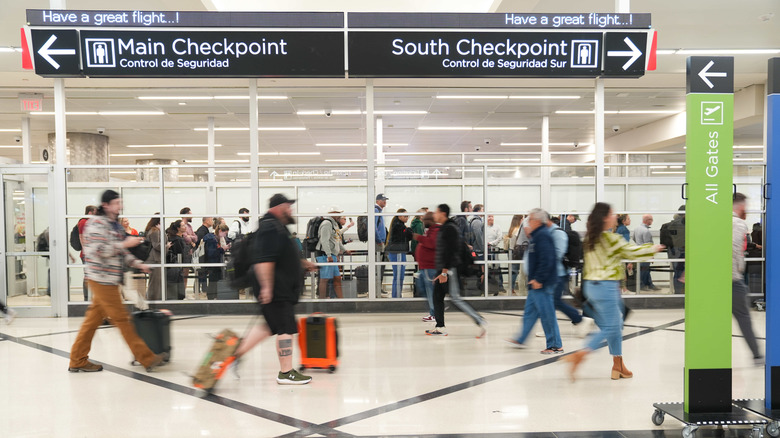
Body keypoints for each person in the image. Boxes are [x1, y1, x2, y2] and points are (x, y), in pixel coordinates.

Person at [563, 202, 663, 381]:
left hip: (592, 288)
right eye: (611, 214)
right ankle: (581, 354)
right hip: (606, 287)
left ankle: (618, 365)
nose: (615, 216)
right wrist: (654, 248)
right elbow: (631, 252)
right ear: (603, 218)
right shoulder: (611, 239)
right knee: (612, 327)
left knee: (613, 327)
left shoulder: (590, 240)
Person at [68, 190, 165, 373]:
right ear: (106, 205)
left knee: (91, 321)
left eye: (120, 202)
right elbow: (98, 251)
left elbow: (121, 252)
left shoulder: (114, 225)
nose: (119, 206)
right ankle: (147, 357)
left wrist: (138, 264)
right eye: (116, 203)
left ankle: (77, 359)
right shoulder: (96, 224)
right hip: (101, 278)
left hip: (110, 278)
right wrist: (124, 244)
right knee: (122, 318)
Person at [233, 194, 317, 385]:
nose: (291, 210)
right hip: (277, 289)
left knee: (270, 326)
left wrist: (303, 264)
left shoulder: (276, 226)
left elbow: (281, 256)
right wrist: (267, 288)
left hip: (279, 287)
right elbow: (265, 260)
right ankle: (286, 373)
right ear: (279, 207)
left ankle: (234, 355)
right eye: (289, 206)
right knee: (285, 327)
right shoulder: (271, 228)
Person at [425, 204, 488, 337]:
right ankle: (440, 326)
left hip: (449, 269)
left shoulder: (449, 229)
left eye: (436, 212)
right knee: (437, 296)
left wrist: (444, 272)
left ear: (442, 214)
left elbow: (450, 252)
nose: (434, 215)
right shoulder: (447, 227)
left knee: (455, 298)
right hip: (445, 268)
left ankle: (479, 320)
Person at [506, 209, 563, 354]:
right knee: (530, 312)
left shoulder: (543, 236)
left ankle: (555, 345)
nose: (528, 222)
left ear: (537, 221)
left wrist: (539, 279)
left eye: (530, 219)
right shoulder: (537, 236)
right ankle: (521, 338)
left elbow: (547, 259)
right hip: (535, 283)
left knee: (547, 314)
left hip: (542, 283)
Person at [732, 193, 764, 364]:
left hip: (718, 280)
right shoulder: (737, 223)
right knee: (744, 318)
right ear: (741, 206)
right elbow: (733, 249)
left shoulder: (719, 221)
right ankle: (757, 355)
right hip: (732, 280)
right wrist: (736, 272)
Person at [547, 216, 588, 334]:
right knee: (551, 301)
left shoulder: (557, 234)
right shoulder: (554, 232)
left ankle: (578, 319)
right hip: (556, 273)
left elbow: (557, 254)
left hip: (558, 273)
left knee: (554, 301)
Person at [413, 211, 439, 322]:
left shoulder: (435, 231)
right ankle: (434, 310)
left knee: (430, 291)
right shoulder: (431, 231)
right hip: (425, 267)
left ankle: (434, 312)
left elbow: (431, 243)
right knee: (424, 289)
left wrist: (418, 237)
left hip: (430, 267)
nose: (423, 222)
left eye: (425, 220)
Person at [316, 208, 344, 299]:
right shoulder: (327, 224)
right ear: (333, 213)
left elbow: (336, 239)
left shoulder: (334, 224)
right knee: (324, 279)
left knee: (337, 278)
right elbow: (324, 240)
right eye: (338, 213)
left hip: (332, 255)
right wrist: (328, 255)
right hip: (325, 255)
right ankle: (322, 301)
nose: (340, 215)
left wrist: (344, 250)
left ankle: (342, 301)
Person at [386, 208, 413, 298]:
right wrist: (408, 230)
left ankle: (397, 295)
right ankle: (396, 297)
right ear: (399, 216)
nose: (407, 218)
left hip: (399, 252)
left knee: (399, 275)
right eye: (405, 216)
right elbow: (408, 235)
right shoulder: (398, 226)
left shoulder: (400, 225)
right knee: (398, 276)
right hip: (397, 252)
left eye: (407, 216)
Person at [660, 205, 686, 293]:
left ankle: (678, 293)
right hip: (680, 253)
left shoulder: (668, 225)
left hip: (673, 253)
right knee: (681, 274)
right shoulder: (683, 225)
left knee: (678, 274)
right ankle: (681, 293)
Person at [633, 214, 660, 291]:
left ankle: (650, 284)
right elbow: (648, 245)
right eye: (651, 219)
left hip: (639, 252)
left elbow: (634, 238)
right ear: (647, 220)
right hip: (645, 253)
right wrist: (651, 255)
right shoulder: (646, 231)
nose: (652, 221)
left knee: (645, 269)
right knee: (644, 270)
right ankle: (642, 286)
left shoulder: (636, 228)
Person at [202, 223, 229, 300]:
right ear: (220, 231)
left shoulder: (215, 238)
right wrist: (222, 249)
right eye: (225, 233)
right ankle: (211, 296)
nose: (225, 236)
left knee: (215, 281)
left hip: (215, 264)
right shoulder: (212, 239)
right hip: (212, 264)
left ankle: (214, 296)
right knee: (213, 282)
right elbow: (212, 253)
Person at [77, 205, 98, 301]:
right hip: (87, 254)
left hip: (93, 254)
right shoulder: (83, 222)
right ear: (90, 212)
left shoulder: (91, 222)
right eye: (95, 212)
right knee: (87, 276)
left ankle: (92, 296)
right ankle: (87, 298)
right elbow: (82, 238)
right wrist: (88, 252)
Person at [165, 220, 187, 300]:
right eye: (183, 226)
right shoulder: (177, 240)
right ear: (178, 228)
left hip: (174, 265)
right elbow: (180, 253)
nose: (185, 227)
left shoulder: (175, 238)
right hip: (175, 265)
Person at [143, 216, 163, 301]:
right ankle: (151, 301)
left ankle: (152, 300)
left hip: (153, 259)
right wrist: (167, 246)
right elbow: (157, 246)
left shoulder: (152, 230)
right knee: (154, 282)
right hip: (154, 259)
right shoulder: (155, 231)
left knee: (154, 282)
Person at [485, 214, 505, 293]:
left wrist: (490, 243)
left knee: (497, 267)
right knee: (485, 268)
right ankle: (486, 286)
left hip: (493, 249)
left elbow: (499, 237)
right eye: (489, 216)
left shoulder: (497, 227)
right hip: (484, 250)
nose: (491, 218)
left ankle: (500, 286)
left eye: (492, 216)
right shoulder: (483, 227)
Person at [180, 207, 197, 295]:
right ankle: (182, 292)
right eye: (190, 215)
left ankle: (184, 292)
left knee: (186, 272)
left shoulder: (189, 226)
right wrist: (190, 238)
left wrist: (191, 237)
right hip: (184, 253)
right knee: (184, 273)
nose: (192, 217)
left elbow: (196, 238)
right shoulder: (181, 225)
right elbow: (186, 238)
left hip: (189, 252)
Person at [508, 214, 526, 295]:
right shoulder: (518, 229)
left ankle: (510, 288)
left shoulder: (512, 229)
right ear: (519, 220)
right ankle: (512, 289)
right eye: (522, 219)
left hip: (511, 251)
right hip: (517, 252)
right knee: (517, 272)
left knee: (513, 271)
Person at [195, 217, 214, 294]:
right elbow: (200, 242)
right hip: (201, 255)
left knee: (202, 273)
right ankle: (200, 289)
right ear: (206, 221)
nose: (212, 221)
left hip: (203, 254)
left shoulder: (205, 230)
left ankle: (203, 288)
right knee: (201, 272)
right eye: (211, 220)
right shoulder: (202, 230)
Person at [375, 194, 389, 295]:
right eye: (382, 200)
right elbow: (374, 227)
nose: (384, 201)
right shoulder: (376, 211)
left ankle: (378, 288)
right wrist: (379, 240)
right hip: (378, 243)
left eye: (385, 200)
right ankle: (376, 289)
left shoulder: (379, 211)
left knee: (381, 266)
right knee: (378, 267)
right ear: (377, 201)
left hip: (381, 242)